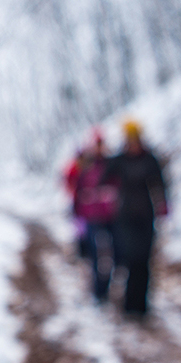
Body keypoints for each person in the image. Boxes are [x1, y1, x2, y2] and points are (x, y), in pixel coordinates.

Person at [102, 120, 169, 318]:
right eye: (129, 140)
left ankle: (142, 305)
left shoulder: (149, 159)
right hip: (126, 216)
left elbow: (160, 183)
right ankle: (129, 304)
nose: (133, 144)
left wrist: (163, 203)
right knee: (131, 259)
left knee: (145, 260)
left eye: (135, 140)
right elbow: (104, 177)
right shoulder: (119, 160)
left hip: (146, 215)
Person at [63, 128, 116, 302]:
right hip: (91, 216)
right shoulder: (84, 164)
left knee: (109, 253)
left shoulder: (110, 163)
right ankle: (98, 291)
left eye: (101, 144)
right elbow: (74, 183)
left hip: (109, 215)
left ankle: (103, 287)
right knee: (96, 254)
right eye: (97, 144)